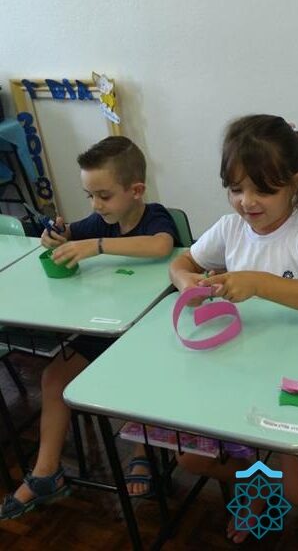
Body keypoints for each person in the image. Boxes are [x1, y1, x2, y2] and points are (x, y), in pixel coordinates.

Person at [169, 114, 298, 543]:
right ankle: (254, 481)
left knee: (296, 492)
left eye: (263, 190)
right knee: (190, 459)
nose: (247, 202)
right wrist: (186, 281)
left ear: (294, 183)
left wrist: (258, 282)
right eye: (236, 189)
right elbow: (181, 262)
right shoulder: (230, 228)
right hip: (240, 361)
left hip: (297, 371)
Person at [0, 136, 179, 519]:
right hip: (104, 332)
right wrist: (57, 236)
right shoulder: (100, 221)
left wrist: (96, 246)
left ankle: (144, 450)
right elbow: (72, 234)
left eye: (104, 196)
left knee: (139, 379)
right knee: (53, 377)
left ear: (136, 191)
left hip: (150, 338)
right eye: (90, 196)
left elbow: (161, 246)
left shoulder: (155, 217)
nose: (96, 205)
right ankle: (47, 473)